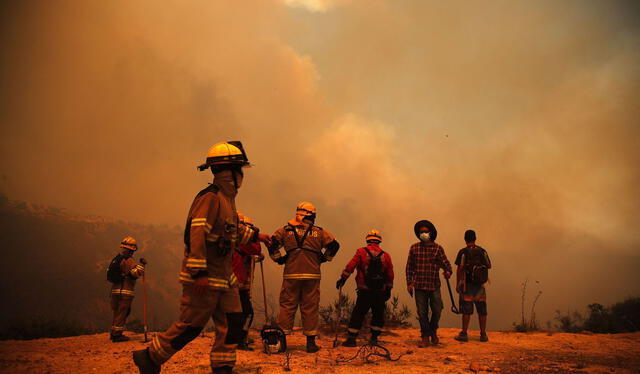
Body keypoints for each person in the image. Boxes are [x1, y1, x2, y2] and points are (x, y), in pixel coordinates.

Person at [133, 141, 271, 374]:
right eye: (240, 170)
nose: (242, 176)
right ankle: (149, 357)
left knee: (233, 322)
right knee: (191, 326)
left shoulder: (228, 201)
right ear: (230, 171)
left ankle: (223, 367)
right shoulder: (210, 197)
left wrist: (260, 236)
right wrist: (199, 273)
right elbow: (195, 233)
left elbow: (231, 233)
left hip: (225, 278)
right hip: (205, 277)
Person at [268, 201, 340, 353]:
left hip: (291, 275)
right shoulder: (320, 232)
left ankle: (281, 343)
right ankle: (310, 343)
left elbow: (271, 243)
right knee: (310, 308)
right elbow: (335, 246)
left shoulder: (285, 230)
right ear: (312, 216)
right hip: (312, 276)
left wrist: (279, 259)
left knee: (287, 306)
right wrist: (324, 258)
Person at [336, 229, 394, 346]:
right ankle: (374, 339)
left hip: (365, 290)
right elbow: (390, 274)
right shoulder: (386, 256)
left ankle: (352, 339)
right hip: (380, 291)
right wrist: (388, 289)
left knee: (358, 313)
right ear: (379, 241)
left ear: (367, 239)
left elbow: (350, 266)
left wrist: (342, 279)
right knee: (378, 314)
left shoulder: (361, 252)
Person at [405, 220, 452, 347]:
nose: (423, 234)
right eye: (421, 232)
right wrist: (409, 283)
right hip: (419, 286)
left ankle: (433, 330)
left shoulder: (437, 248)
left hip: (434, 285)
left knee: (437, 309)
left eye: (425, 232)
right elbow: (409, 267)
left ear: (431, 233)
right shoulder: (414, 248)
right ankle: (425, 336)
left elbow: (447, 265)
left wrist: (448, 272)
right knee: (422, 313)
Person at [454, 229, 492, 343]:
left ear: (465, 239)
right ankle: (483, 334)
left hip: (467, 284)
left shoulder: (463, 252)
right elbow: (489, 265)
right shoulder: (482, 251)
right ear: (475, 238)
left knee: (466, 311)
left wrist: (458, 284)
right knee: (482, 310)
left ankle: (464, 333)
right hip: (480, 285)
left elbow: (459, 269)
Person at [233, 212, 264, 350]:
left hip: (233, 282)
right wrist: (254, 236)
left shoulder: (229, 239)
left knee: (233, 312)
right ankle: (240, 340)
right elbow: (255, 248)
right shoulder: (241, 240)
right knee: (247, 313)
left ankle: (236, 338)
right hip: (238, 284)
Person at [108, 236, 146, 342]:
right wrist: (142, 265)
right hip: (125, 291)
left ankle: (113, 332)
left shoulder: (117, 258)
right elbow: (135, 274)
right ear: (132, 249)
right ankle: (117, 335)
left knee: (116, 312)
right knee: (122, 312)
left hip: (115, 291)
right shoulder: (128, 260)